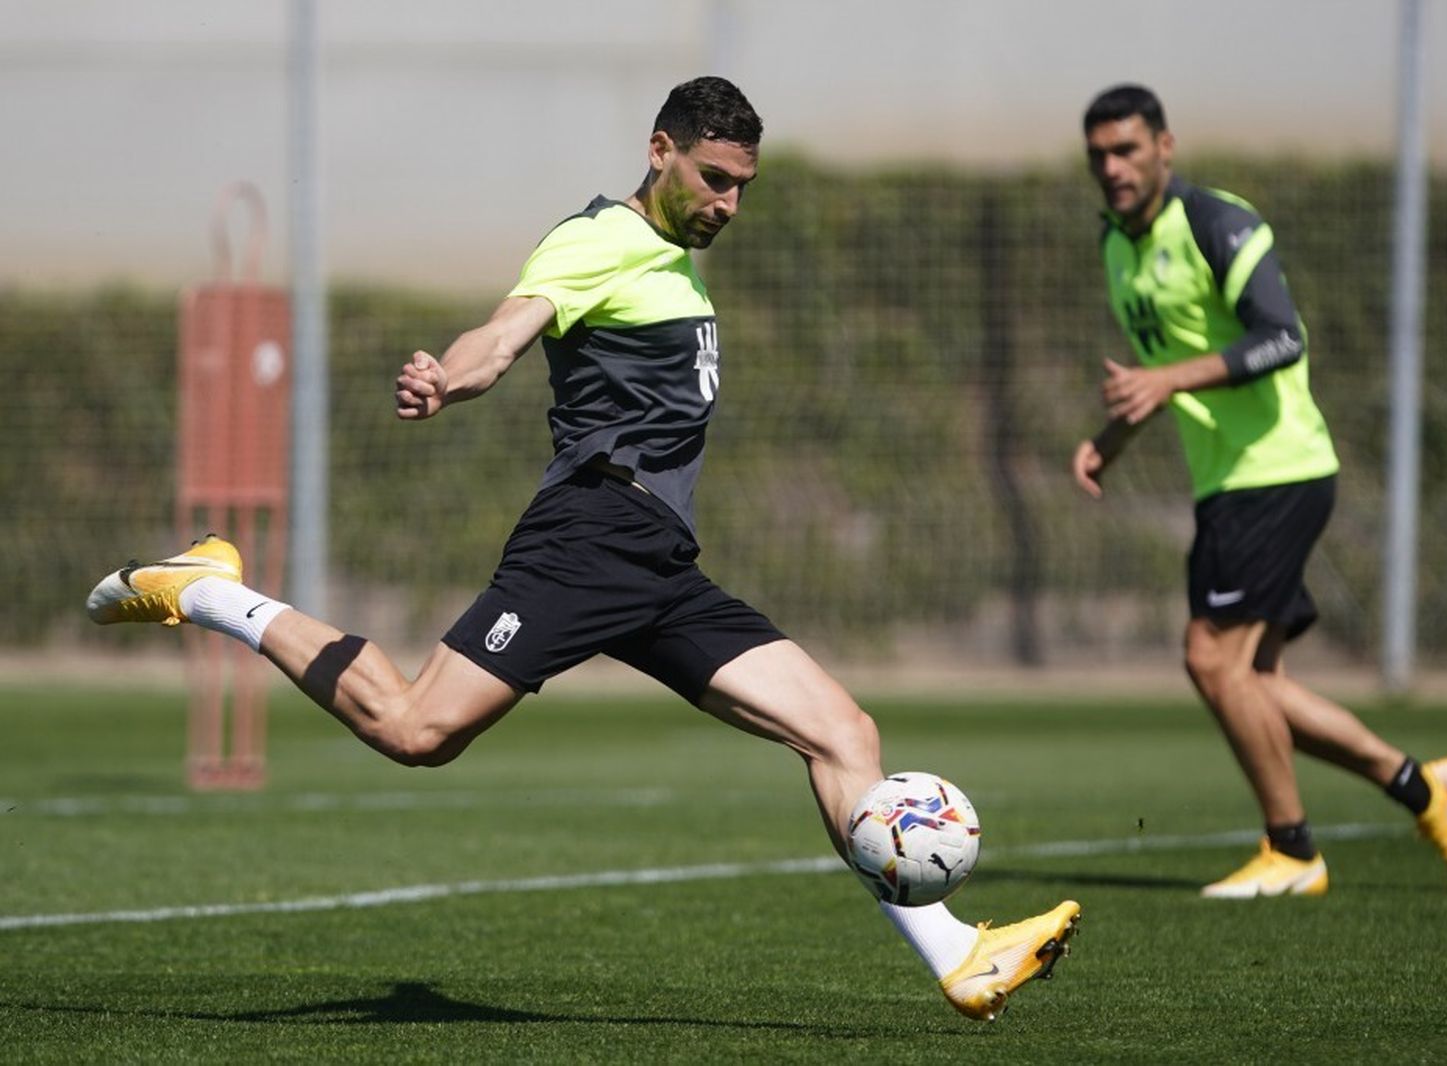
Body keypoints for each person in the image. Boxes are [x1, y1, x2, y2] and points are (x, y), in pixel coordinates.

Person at [88, 76, 1077, 1020]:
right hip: (587, 537)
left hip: (658, 564)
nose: (729, 203)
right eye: (712, 179)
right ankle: (212, 591)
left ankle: (956, 955)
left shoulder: (677, 263)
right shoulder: (597, 237)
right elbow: (507, 330)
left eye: (743, 186)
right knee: (415, 731)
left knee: (843, 732)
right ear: (661, 152)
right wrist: (450, 378)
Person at [1071, 84, 1447, 898]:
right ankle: (1424, 787)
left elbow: (1282, 336)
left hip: (1278, 469)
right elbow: (1166, 372)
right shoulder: (1118, 244)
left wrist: (1165, 382)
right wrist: (1107, 442)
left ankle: (1292, 850)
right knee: (1257, 685)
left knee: (1210, 660)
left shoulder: (1219, 224)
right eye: (1099, 155)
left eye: (1127, 150)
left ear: (1165, 148)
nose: (1113, 168)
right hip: (1231, 481)